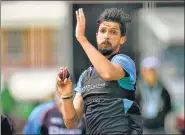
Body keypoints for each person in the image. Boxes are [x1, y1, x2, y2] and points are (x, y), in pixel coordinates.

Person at [56, 8, 143, 134]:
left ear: (122, 39)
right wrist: (66, 95)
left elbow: (107, 73)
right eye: (103, 31)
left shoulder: (124, 62)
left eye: (113, 32)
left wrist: (82, 38)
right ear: (97, 36)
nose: (106, 36)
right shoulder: (85, 76)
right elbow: (72, 122)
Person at [135, 56, 171, 129]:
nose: (149, 74)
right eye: (146, 71)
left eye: (152, 71)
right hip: (143, 127)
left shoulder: (163, 89)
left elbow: (168, 107)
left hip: (159, 128)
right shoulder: (138, 89)